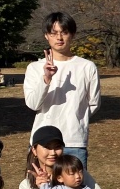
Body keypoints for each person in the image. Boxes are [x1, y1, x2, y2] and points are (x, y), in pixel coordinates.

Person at [23, 11, 101, 169]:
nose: (59, 38)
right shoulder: (35, 67)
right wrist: (46, 79)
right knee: (41, 184)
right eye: (54, 33)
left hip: (74, 142)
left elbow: (94, 103)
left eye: (64, 32)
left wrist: (75, 119)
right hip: (43, 143)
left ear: (72, 34)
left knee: (75, 184)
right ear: (46, 36)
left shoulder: (87, 67)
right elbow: (33, 104)